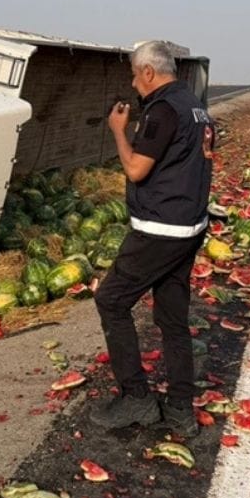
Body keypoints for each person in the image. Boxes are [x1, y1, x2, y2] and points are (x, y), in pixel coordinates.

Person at [89, 40, 214, 437]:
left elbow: (136, 169)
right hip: (189, 227)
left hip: (160, 230)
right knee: (172, 319)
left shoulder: (162, 110)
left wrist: (119, 131)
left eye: (133, 74)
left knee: (111, 300)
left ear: (147, 72)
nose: (133, 83)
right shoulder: (196, 108)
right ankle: (180, 409)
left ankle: (136, 398)